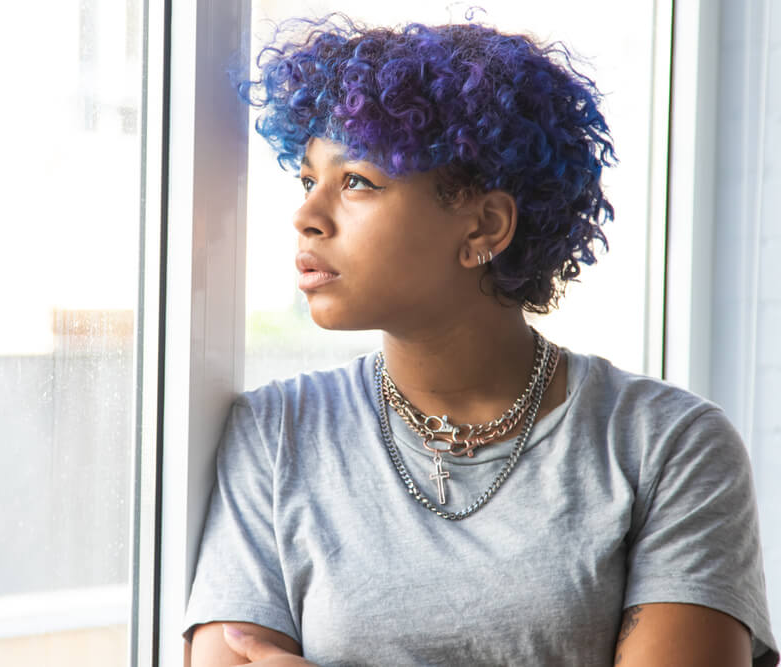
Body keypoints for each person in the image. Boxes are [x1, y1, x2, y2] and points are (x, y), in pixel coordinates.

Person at [183, 14, 779, 667]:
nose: (305, 216)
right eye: (307, 180)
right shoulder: (274, 434)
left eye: (356, 180)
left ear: (485, 225)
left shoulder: (667, 446)